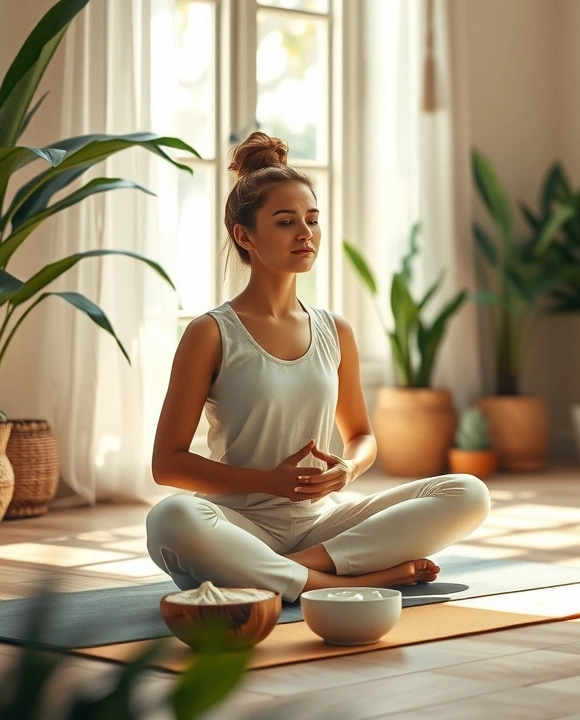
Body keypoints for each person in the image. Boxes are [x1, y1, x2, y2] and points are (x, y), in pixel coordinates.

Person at [145, 132, 490, 603]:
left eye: (312, 220)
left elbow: (362, 437)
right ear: (244, 235)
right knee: (171, 519)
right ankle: (350, 581)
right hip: (237, 529)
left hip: (323, 531)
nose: (305, 234)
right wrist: (269, 483)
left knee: (467, 492)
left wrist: (347, 469)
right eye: (286, 222)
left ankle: (284, 576)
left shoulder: (334, 330)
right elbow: (167, 464)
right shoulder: (211, 333)